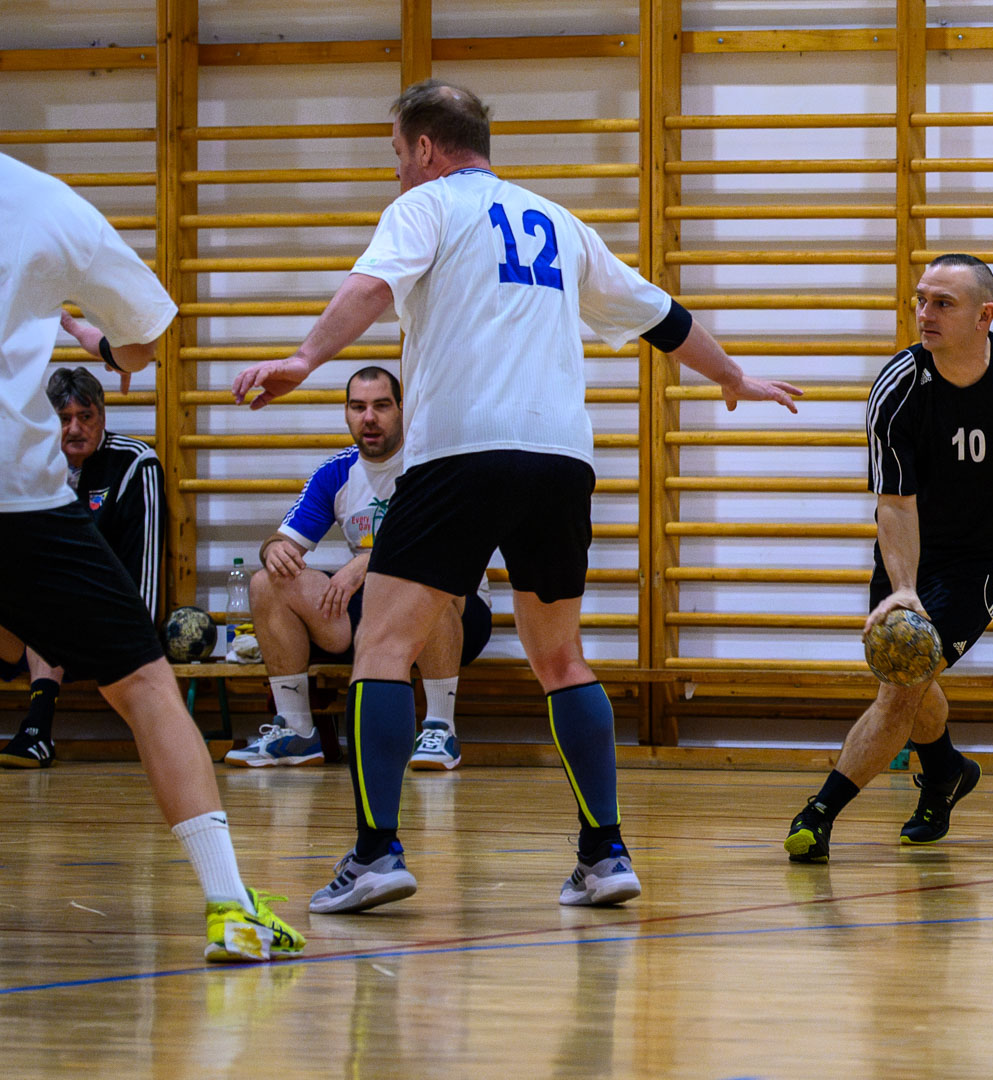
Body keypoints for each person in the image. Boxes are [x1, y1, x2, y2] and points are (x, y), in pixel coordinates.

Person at [231, 80, 801, 914]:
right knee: (561, 658)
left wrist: (303, 358)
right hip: (560, 461)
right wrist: (733, 376)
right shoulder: (558, 221)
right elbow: (660, 315)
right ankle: (604, 854)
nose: (397, 171)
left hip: (461, 451)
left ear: (424, 148)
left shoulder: (426, 206)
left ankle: (376, 854)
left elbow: (371, 288)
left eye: (396, 154)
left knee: (380, 649)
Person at [0, 149, 302, 960]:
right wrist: (92, 339)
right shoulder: (45, 203)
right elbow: (145, 342)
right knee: (144, 684)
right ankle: (229, 907)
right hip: (17, 499)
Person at [783, 254, 993, 863]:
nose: (925, 313)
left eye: (943, 303)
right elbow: (896, 503)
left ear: (984, 316)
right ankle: (944, 771)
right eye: (921, 300)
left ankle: (820, 813)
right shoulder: (899, 386)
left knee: (905, 681)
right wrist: (904, 587)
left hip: (990, 557)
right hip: (912, 550)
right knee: (907, 670)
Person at [230, 365, 492, 770]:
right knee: (269, 582)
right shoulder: (336, 472)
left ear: (402, 409)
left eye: (381, 406)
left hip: (457, 610)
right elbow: (281, 541)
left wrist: (368, 563)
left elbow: (449, 547)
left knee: (427, 578)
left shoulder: (432, 463)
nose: (369, 417)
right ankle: (296, 731)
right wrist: (276, 550)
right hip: (375, 615)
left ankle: (441, 728)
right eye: (358, 407)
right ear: (347, 413)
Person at [0, 355, 163, 768]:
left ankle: (36, 730)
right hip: (38, 621)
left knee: (50, 598)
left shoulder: (135, 462)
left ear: (102, 417)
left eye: (85, 416)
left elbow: (145, 558)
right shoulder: (28, 467)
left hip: (106, 619)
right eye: (63, 418)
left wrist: (140, 644)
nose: (75, 428)